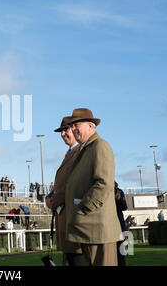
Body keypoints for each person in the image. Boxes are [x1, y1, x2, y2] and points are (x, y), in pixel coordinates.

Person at [64, 108, 122, 266]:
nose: (74, 128)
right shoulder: (85, 149)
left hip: (98, 229)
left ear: (91, 126)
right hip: (88, 228)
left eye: (77, 124)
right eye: (72, 125)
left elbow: (103, 183)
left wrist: (83, 208)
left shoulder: (100, 146)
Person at [45, 116, 84, 266]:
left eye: (65, 130)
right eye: (61, 131)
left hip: (74, 220)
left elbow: (72, 184)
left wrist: (53, 201)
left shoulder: (80, 152)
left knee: (77, 260)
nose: (62, 134)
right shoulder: (69, 153)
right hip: (65, 218)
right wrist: (50, 197)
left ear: (75, 129)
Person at [115, 182, 128, 266]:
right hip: (112, 222)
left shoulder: (119, 191)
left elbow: (124, 207)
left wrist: (119, 199)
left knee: (120, 251)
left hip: (118, 222)